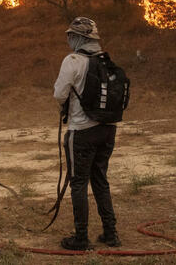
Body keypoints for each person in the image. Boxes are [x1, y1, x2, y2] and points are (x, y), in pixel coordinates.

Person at [53, 16, 120, 250]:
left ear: (80, 38)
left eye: (71, 35)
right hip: (107, 130)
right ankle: (111, 234)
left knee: (78, 183)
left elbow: (59, 94)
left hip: (81, 132)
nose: (69, 39)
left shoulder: (72, 61)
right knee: (100, 180)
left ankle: (81, 238)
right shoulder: (105, 60)